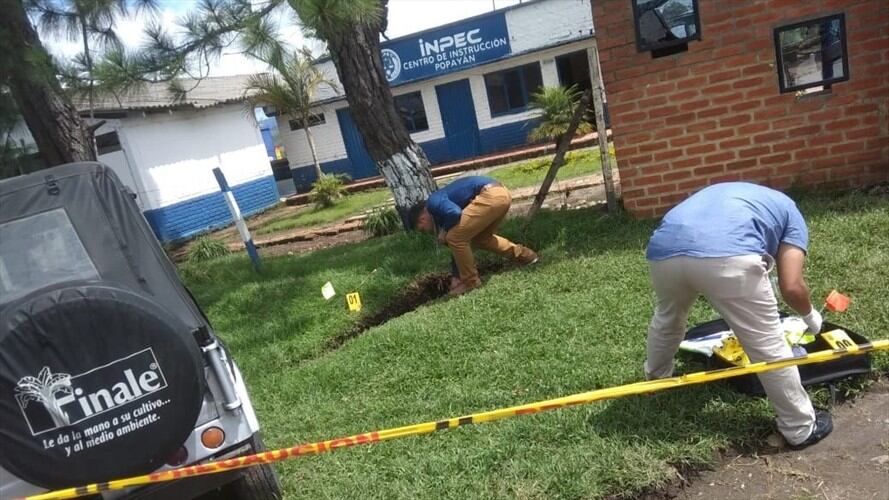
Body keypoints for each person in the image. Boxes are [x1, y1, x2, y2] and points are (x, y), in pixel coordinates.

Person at [644, 182, 832, 449]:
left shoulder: (734, 194)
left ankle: (656, 381)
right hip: (727, 256)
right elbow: (791, 285)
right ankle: (800, 427)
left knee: (668, 318)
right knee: (766, 341)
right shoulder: (791, 212)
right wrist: (811, 317)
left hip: (663, 253)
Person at [408, 176, 538, 295]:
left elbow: (454, 213)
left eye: (421, 228)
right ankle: (527, 256)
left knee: (454, 237)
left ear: (421, 219)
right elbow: (457, 247)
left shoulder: (432, 203)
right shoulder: (440, 212)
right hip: (502, 195)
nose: (425, 230)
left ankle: (471, 283)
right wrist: (455, 276)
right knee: (481, 239)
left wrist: (444, 231)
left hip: (490, 195)